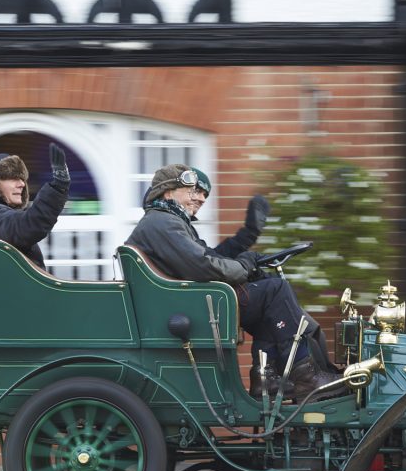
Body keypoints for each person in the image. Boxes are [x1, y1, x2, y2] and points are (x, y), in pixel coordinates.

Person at [125, 164, 343, 402]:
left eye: (203, 194)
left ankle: (266, 380)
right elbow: (203, 265)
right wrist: (244, 267)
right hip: (193, 307)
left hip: (190, 303)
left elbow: (210, 256)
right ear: (167, 192)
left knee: (267, 293)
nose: (200, 198)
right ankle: (306, 378)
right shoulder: (163, 222)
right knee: (275, 291)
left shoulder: (167, 222)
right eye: (193, 191)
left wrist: (247, 238)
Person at [0, 142, 71, 270]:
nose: (21, 184)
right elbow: (27, 226)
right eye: (13, 178)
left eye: (22, 179)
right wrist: (58, 187)